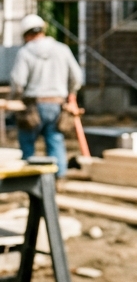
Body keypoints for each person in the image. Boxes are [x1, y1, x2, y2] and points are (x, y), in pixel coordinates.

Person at [10, 14, 83, 176]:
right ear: (43, 30)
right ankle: (58, 178)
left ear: (26, 34)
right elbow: (77, 77)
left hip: (32, 106)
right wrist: (71, 93)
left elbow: (18, 81)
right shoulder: (62, 49)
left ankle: (29, 178)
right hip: (57, 105)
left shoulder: (25, 52)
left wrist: (14, 100)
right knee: (55, 141)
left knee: (28, 143)